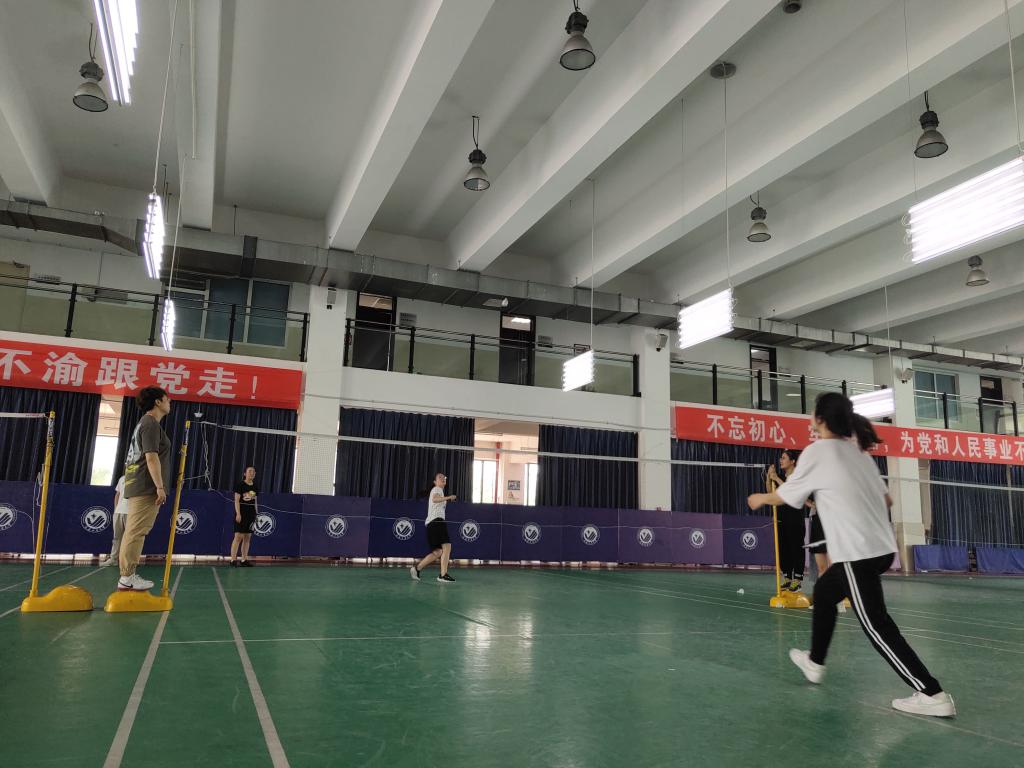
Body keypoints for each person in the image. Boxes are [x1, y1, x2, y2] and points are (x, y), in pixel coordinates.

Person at [747, 393, 955, 717]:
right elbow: (886, 500)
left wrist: (760, 498)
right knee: (824, 592)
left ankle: (932, 693)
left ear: (820, 419)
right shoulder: (858, 451)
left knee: (876, 625)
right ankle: (815, 662)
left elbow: (787, 495)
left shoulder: (818, 451)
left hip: (857, 552)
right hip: (881, 547)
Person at [118, 386, 172, 592]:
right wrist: (159, 486)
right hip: (145, 486)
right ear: (157, 402)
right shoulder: (150, 423)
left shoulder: (146, 423)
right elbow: (151, 457)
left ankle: (127, 575)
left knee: (135, 531)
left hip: (140, 484)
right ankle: (126, 577)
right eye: (167, 399)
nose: (169, 402)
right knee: (136, 532)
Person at [767, 450, 805, 592]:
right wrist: (769, 477)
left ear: (792, 461)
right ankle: (788, 578)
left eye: (784, 458)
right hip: (781, 519)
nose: (780, 460)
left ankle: (797, 579)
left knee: (796, 549)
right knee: (784, 550)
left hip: (795, 520)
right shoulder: (780, 477)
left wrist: (776, 478)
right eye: (780, 458)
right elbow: (771, 493)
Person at [409, 472, 457, 583]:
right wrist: (449, 497)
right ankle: (443, 575)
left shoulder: (438, 490)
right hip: (437, 522)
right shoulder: (437, 489)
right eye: (440, 477)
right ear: (435, 482)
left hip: (432, 524)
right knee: (447, 546)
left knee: (438, 552)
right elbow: (435, 499)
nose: (443, 478)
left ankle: (417, 569)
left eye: (444, 477)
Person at [230, 466, 259, 567]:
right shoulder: (240, 485)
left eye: (253, 471)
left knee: (247, 537)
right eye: (250, 471)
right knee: (238, 537)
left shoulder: (255, 486)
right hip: (242, 514)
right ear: (245, 474)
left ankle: (244, 559)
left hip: (251, 515)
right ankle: (233, 560)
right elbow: (236, 500)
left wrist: (256, 514)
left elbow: (255, 501)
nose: (252, 473)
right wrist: (238, 513)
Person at [104, 474, 129, 566]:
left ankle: (128, 561)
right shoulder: (122, 478)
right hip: (119, 512)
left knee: (131, 538)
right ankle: (113, 559)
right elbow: (118, 494)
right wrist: (116, 509)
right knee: (117, 537)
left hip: (131, 512)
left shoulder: (140, 477)